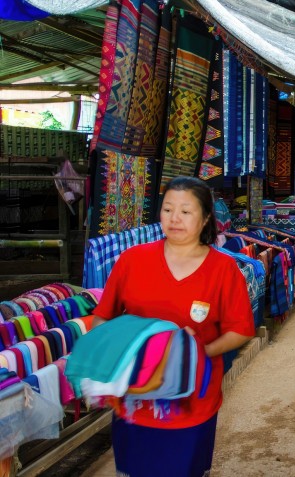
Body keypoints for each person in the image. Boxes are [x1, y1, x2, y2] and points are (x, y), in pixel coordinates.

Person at [92, 176, 254, 476]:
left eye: (185, 211)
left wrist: (197, 351)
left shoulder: (223, 269)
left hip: (192, 401)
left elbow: (241, 329)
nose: (174, 219)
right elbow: (103, 317)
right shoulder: (132, 261)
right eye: (167, 209)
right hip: (135, 398)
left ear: (205, 217)